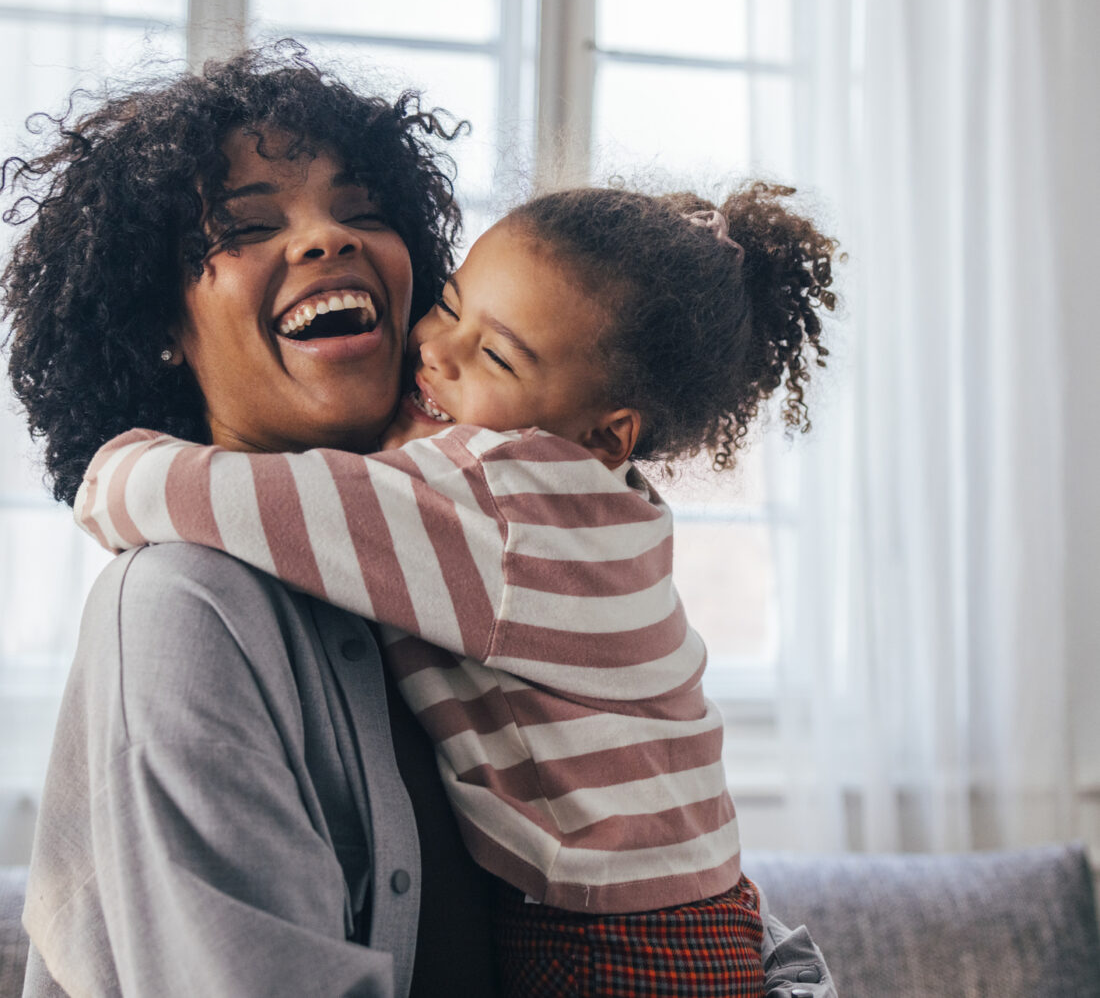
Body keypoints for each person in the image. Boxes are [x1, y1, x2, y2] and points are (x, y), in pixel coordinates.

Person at [76, 181, 841, 996]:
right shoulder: (591, 508)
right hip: (692, 925)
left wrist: (111, 469)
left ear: (603, 435)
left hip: (610, 953)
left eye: (497, 357)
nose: (436, 351)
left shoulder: (505, 501)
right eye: (448, 306)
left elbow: (223, 498)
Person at [1, 44, 503, 997]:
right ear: (157, 324)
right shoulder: (181, 606)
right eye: (244, 226)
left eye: (362, 211)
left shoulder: (474, 554)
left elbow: (685, 880)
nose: (329, 240)